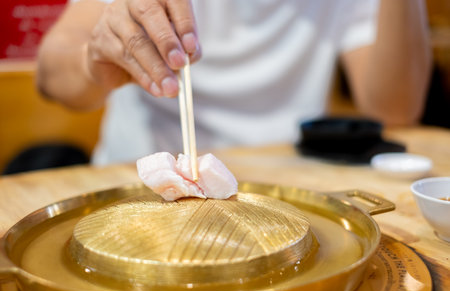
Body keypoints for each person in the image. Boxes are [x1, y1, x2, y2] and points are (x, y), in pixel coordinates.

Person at [36, 0, 432, 165]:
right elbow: (51, 76)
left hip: (286, 188)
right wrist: (94, 64)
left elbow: (394, 109)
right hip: (134, 178)